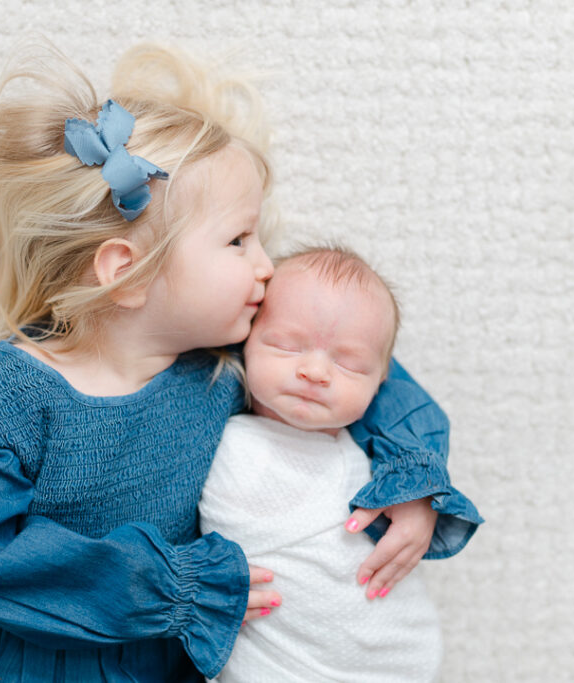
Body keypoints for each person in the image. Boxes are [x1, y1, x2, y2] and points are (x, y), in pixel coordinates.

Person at [0, 41, 478, 682]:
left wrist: (413, 480)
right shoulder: (4, 411)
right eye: (238, 240)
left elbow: (365, 371)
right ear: (130, 273)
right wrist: (171, 585)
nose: (266, 264)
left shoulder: (225, 360)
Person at [199, 247, 482, 682]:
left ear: (382, 381)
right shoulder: (222, 435)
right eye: (286, 345)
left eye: (348, 364)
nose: (315, 371)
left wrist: (415, 490)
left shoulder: (376, 459)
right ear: (245, 341)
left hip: (389, 656)